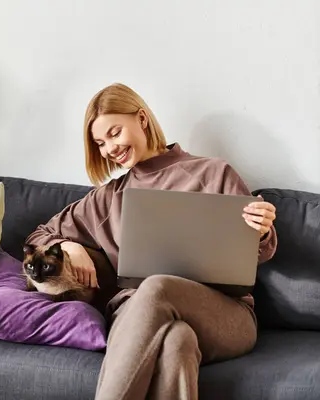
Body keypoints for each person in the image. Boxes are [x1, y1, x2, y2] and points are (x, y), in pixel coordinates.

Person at [24, 83, 277, 400]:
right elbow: (38, 236)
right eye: (100, 143)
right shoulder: (108, 199)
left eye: (115, 133)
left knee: (157, 286)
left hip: (224, 315)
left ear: (142, 119)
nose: (109, 149)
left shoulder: (213, 173)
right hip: (136, 316)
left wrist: (262, 230)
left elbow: (258, 251)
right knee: (177, 341)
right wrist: (70, 246)